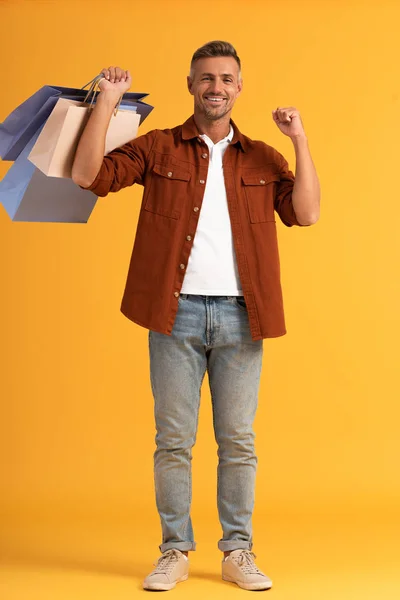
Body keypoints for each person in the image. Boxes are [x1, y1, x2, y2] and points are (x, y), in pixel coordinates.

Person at [72, 40, 320, 592]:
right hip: (174, 312)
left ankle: (238, 552)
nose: (215, 87)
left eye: (226, 78)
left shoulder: (263, 157)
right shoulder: (158, 148)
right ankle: (174, 551)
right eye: (205, 77)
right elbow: (88, 176)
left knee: (237, 441)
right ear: (190, 85)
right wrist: (106, 103)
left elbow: (306, 212)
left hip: (240, 317)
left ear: (238, 87)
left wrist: (298, 139)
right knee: (174, 441)